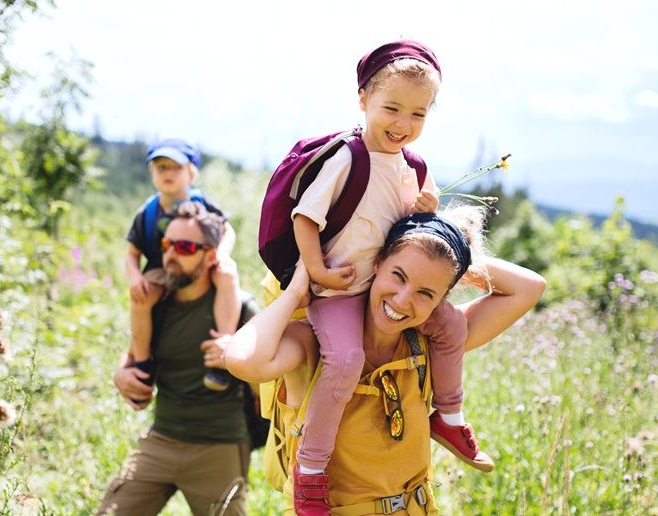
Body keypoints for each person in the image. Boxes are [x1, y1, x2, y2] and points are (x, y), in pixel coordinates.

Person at [225, 208, 547, 514]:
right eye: (398, 275)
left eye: (426, 293)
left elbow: (529, 287)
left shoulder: (431, 344)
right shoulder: (314, 343)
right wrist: (296, 292)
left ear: (441, 300)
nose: (402, 301)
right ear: (376, 262)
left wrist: (448, 253)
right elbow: (242, 361)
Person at [284, 39, 488, 512]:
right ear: (363, 100)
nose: (403, 124)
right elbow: (305, 217)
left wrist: (427, 208)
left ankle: (448, 416)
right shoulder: (347, 158)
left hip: (385, 287)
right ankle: (310, 469)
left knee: (451, 326)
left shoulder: (412, 166)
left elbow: (420, 228)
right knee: (345, 360)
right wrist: (317, 270)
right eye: (391, 109)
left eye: (418, 114)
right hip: (339, 292)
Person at [100, 202, 259, 516]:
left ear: (211, 256)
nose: (171, 254)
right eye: (166, 244)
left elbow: (270, 388)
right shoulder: (155, 303)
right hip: (162, 440)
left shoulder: (241, 309)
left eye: (184, 247)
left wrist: (237, 358)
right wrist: (121, 374)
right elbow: (131, 356)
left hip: (220, 446)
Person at [124, 138, 240, 396]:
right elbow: (131, 254)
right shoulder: (147, 212)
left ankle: (221, 352)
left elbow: (227, 231)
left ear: (192, 174)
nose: (168, 173)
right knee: (140, 299)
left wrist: (222, 255)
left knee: (227, 275)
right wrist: (135, 278)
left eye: (176, 167)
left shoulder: (203, 203)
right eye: (161, 167)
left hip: (201, 261)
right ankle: (143, 364)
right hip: (160, 268)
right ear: (152, 173)